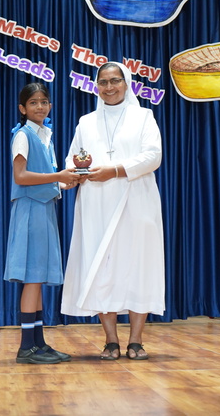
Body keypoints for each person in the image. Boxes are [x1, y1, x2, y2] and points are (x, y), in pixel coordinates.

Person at [61, 62, 165, 360]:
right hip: (96, 203)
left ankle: (136, 341)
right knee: (101, 267)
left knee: (139, 266)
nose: (109, 87)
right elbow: (72, 159)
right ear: (96, 86)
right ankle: (110, 341)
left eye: (115, 81)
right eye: (103, 82)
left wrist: (116, 170)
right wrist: (71, 176)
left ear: (126, 83)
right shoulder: (86, 122)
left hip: (137, 200)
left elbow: (153, 156)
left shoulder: (143, 116)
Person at [4, 83, 81, 364]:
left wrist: (62, 183)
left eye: (44, 101)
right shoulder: (22, 135)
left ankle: (38, 343)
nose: (40, 106)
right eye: (33, 102)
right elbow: (21, 176)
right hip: (30, 210)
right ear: (22, 109)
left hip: (44, 208)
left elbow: (43, 178)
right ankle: (26, 347)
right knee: (32, 277)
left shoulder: (45, 135)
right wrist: (58, 176)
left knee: (37, 278)